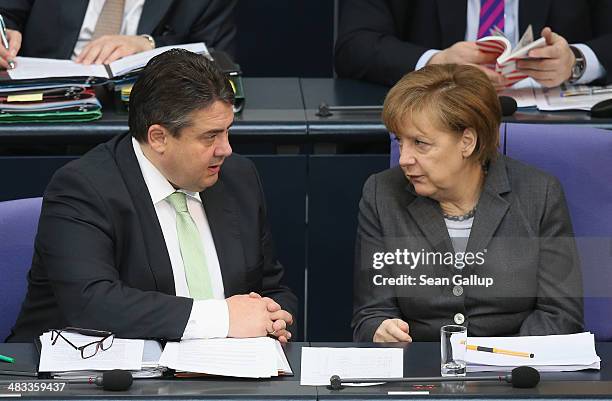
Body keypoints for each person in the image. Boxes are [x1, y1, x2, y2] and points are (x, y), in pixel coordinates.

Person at [7, 49, 296, 343]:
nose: (226, 149)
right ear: (158, 137)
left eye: (227, 131)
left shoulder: (238, 178)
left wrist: (275, 319)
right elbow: (92, 304)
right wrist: (223, 319)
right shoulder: (82, 189)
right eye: (210, 136)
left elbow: (271, 287)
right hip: (91, 377)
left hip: (223, 373)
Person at [352, 63, 583, 342]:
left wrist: (500, 362)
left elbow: (560, 315)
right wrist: (380, 328)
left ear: (467, 142)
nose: (404, 159)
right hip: (422, 370)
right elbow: (370, 313)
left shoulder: (539, 194)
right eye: (400, 142)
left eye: (420, 143)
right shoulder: (382, 195)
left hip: (514, 371)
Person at [335, 0, 612, 87]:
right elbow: (355, 44)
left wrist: (576, 61)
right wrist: (436, 63)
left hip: (552, 133)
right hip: (434, 122)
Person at [0, 0, 236, 69]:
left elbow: (216, 59)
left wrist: (149, 46)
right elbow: (6, 14)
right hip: (41, 103)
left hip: (142, 115)